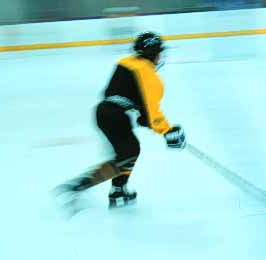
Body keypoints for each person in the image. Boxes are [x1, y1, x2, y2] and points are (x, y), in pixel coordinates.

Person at [58, 32, 186, 209]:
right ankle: (78, 186)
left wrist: (142, 116)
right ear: (152, 53)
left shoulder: (126, 62)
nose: (160, 57)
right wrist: (168, 131)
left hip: (104, 112)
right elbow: (152, 113)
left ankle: (118, 191)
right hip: (117, 116)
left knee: (128, 152)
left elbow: (127, 94)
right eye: (158, 52)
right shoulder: (149, 76)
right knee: (125, 156)